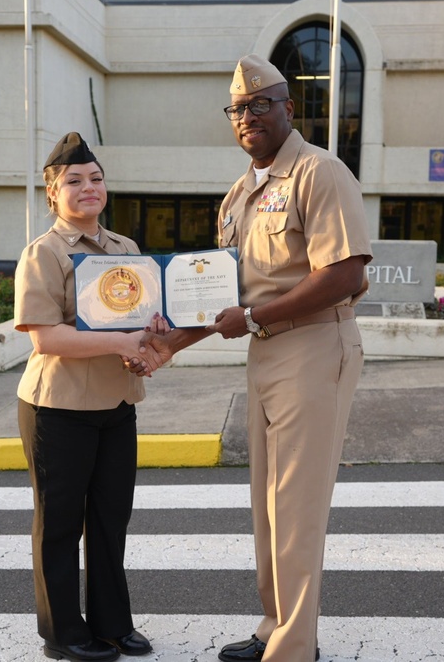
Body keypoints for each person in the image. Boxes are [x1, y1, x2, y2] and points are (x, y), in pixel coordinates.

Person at [140, 54, 373, 661]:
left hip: (316, 344)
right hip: (268, 351)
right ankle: (276, 625)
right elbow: (226, 298)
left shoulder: (319, 172)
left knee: (296, 505)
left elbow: (344, 273)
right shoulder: (241, 193)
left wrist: (254, 319)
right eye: (238, 108)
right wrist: (169, 343)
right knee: (269, 504)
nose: (248, 116)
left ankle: (294, 648)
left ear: (288, 108)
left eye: (260, 104)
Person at [13, 132, 163, 662]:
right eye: (73, 182)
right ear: (53, 195)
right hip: (58, 409)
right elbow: (45, 337)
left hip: (117, 405)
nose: (88, 188)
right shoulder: (44, 254)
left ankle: (112, 625)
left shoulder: (126, 251)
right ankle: (62, 633)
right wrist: (120, 340)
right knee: (59, 525)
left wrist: (149, 338)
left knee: (109, 519)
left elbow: (140, 324)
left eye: (95, 179)